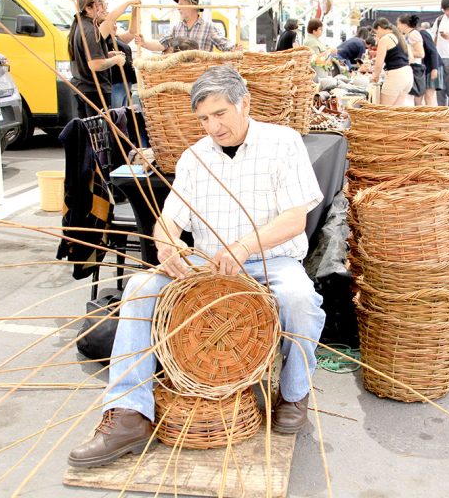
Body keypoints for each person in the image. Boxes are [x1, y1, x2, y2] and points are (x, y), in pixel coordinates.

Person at [67, 65, 326, 468]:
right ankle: (129, 413)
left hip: (269, 261)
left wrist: (243, 246)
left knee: (301, 300)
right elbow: (169, 220)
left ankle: (293, 394)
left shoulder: (283, 142)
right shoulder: (192, 158)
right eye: (204, 118)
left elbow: (295, 219)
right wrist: (167, 243)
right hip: (208, 267)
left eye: (220, 114)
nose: (213, 127)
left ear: (245, 103)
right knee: (139, 288)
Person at [68, 0, 140, 117]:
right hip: (94, 90)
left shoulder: (84, 26)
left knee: (92, 133)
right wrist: (116, 60)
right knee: (101, 132)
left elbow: (90, 58)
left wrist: (108, 56)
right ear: (88, 8)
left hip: (87, 89)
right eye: (100, 3)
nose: (104, 6)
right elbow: (95, 64)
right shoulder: (90, 30)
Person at [135, 0, 235, 53]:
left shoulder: (208, 27)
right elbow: (161, 44)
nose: (178, 8)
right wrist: (144, 43)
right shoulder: (176, 28)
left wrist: (235, 48)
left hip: (200, 79)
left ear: (193, 6)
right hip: (180, 77)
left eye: (181, 4)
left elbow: (225, 45)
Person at [399, 13, 441, 106]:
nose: (397, 26)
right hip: (423, 68)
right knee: (420, 96)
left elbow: (432, 51)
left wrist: (435, 69)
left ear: (404, 24)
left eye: (398, 24)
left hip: (431, 67)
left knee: (429, 96)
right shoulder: (410, 34)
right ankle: (425, 117)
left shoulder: (419, 34)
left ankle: (431, 118)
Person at [371, 18, 413, 106]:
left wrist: (376, 76)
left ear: (379, 28)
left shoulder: (385, 39)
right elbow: (411, 58)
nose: (377, 35)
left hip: (396, 75)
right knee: (396, 111)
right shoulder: (400, 37)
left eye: (376, 32)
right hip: (408, 74)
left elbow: (379, 63)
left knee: (385, 110)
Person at [106, 24, 136, 108]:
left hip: (126, 81)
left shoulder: (117, 38)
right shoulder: (104, 40)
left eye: (115, 24)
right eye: (112, 24)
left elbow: (132, 32)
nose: (115, 26)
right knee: (117, 112)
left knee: (123, 112)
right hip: (115, 82)